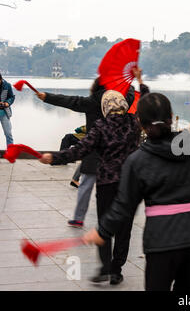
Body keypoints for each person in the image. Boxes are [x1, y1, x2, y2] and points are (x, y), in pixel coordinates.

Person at [82, 92, 190, 291]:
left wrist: (103, 231)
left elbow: (124, 206)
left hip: (162, 240)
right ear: (170, 117)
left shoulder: (138, 161)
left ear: (140, 122)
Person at [39, 90, 141, 285]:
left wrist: (55, 158)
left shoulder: (100, 127)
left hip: (107, 185)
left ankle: (104, 267)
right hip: (129, 185)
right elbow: (137, 99)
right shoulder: (133, 123)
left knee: (104, 226)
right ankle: (116, 270)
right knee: (124, 229)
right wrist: (137, 84)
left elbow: (80, 150)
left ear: (104, 108)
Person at [35, 69, 147, 228]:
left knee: (86, 184)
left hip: (93, 148)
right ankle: (117, 214)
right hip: (115, 151)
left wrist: (47, 97)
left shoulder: (91, 102)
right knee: (116, 185)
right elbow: (133, 95)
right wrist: (128, 82)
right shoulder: (122, 101)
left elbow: (69, 101)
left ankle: (79, 218)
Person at [0, 73, 15, 147]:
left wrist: (7, 103)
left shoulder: (7, 85)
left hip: (5, 113)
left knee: (8, 134)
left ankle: (10, 151)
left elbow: (12, 97)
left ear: (0, 79)